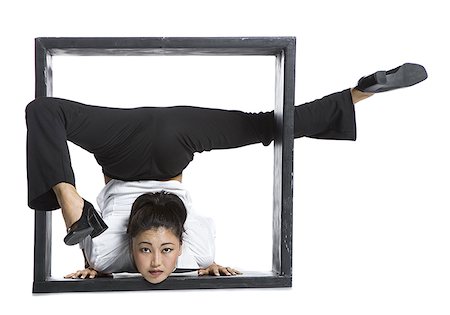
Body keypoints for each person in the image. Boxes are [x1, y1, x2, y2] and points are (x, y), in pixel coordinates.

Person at [25, 62, 427, 284]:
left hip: (139, 147)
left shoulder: (113, 260)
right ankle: (358, 93)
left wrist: (91, 268)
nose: (156, 262)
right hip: (160, 143)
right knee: (267, 125)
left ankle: (68, 195)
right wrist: (208, 268)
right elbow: (196, 245)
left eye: (153, 252)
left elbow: (102, 262)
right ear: (179, 249)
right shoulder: (191, 254)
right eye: (161, 252)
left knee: (265, 126)